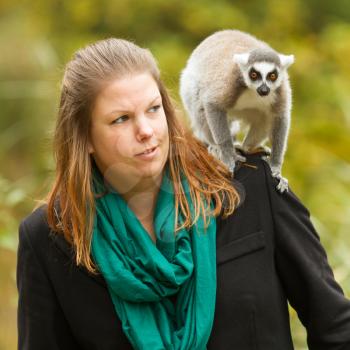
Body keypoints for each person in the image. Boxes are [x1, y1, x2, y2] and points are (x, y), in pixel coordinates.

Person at [16, 38, 350, 350]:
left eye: (153, 108)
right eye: (120, 119)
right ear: (84, 137)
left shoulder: (246, 183)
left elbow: (336, 328)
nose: (145, 131)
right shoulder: (51, 239)